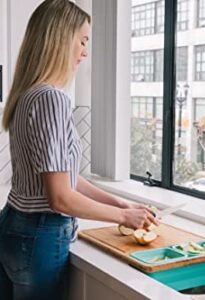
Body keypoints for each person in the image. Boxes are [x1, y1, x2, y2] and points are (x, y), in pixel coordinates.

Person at [0, 1, 159, 299]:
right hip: (40, 236)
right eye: (83, 40)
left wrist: (120, 204)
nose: (85, 52)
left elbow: (66, 176)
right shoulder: (52, 100)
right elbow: (60, 198)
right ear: (60, 39)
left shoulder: (27, 95)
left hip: (13, 225)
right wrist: (123, 218)